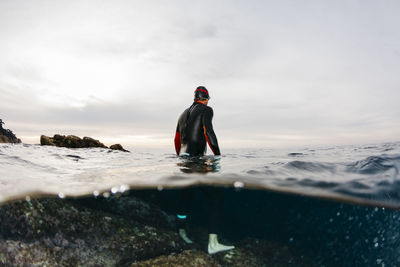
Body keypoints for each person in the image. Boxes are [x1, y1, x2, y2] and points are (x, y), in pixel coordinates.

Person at [174, 86, 235, 254]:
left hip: (183, 159)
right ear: (206, 98)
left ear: (195, 97)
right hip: (196, 160)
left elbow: (177, 138)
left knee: (186, 197)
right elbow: (208, 132)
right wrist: (218, 156)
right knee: (216, 200)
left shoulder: (182, 114)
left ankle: (181, 232)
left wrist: (181, 158)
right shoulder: (206, 110)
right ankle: (213, 244)